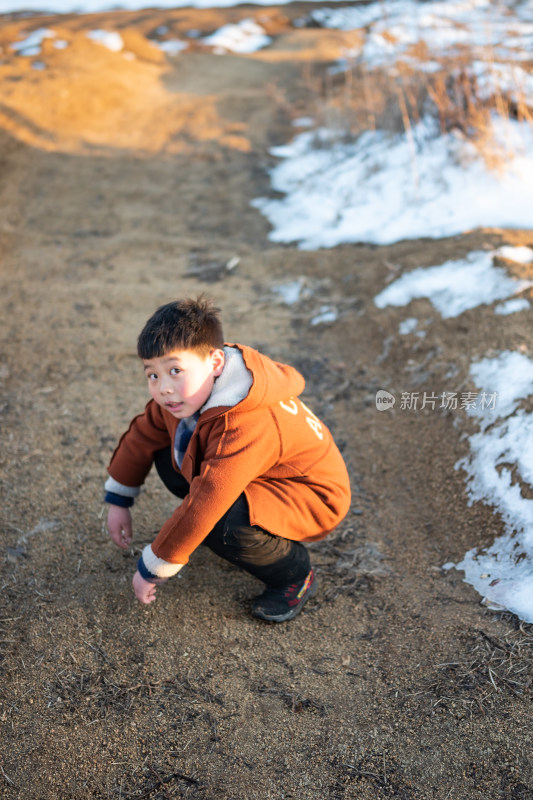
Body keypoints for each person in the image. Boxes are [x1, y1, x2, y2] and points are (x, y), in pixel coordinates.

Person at [105, 296, 351, 622]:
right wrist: (118, 501)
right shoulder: (188, 393)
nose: (163, 388)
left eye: (175, 370)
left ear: (216, 362)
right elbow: (143, 433)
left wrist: (154, 565)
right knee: (168, 458)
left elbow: (210, 498)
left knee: (221, 521)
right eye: (153, 374)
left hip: (312, 495)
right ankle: (224, 531)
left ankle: (295, 576)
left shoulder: (244, 419)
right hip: (257, 474)